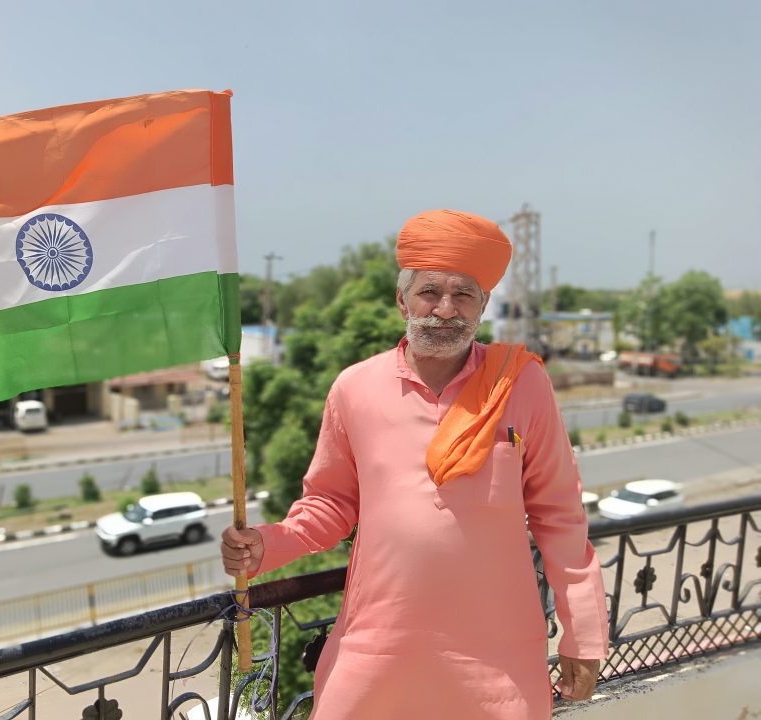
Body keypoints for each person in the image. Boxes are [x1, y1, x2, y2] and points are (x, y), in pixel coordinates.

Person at [221, 210, 608, 720]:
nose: (445, 309)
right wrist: (267, 544)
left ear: (484, 305)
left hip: (496, 651)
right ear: (402, 300)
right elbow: (332, 503)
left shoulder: (521, 385)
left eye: (464, 294)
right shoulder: (355, 388)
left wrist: (583, 634)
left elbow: (560, 516)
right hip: (378, 642)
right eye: (430, 292)